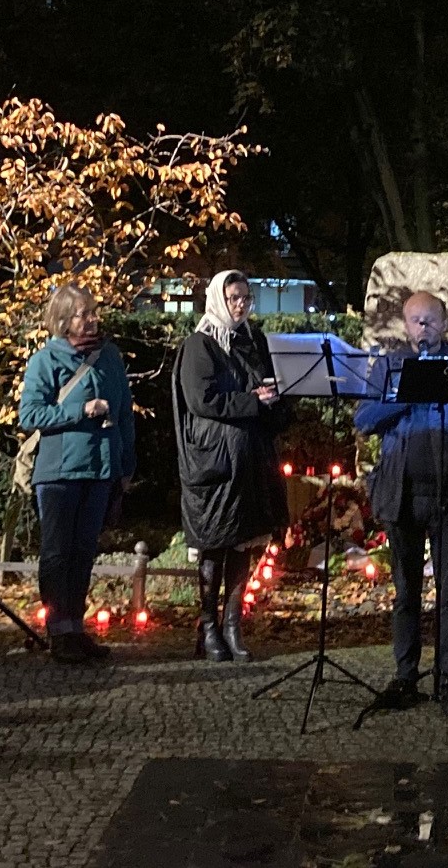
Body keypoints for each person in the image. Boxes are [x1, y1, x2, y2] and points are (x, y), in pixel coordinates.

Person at [357, 292, 448, 710]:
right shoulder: (390, 367)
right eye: (415, 321)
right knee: (406, 592)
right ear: (405, 325)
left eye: (430, 321)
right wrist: (403, 396)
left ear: (444, 322)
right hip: (402, 494)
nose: (423, 328)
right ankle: (405, 677)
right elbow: (363, 420)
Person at [173, 270, 290, 663]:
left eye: (246, 298)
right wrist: (252, 401)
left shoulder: (254, 341)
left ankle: (232, 625)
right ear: (218, 299)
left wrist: (274, 400)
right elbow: (202, 400)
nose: (241, 304)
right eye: (234, 297)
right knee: (213, 544)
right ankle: (207, 628)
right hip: (214, 464)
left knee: (243, 541)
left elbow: (270, 383)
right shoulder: (200, 344)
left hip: (250, 460)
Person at [18, 285, 136, 666]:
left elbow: (126, 415)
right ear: (64, 319)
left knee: (84, 552)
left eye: (93, 312)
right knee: (56, 554)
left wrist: (125, 467)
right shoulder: (46, 361)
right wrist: (80, 410)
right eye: (83, 313)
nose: (91, 319)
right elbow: (30, 416)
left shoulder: (110, 358)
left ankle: (76, 628)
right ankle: (58, 631)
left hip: (101, 470)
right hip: (58, 473)